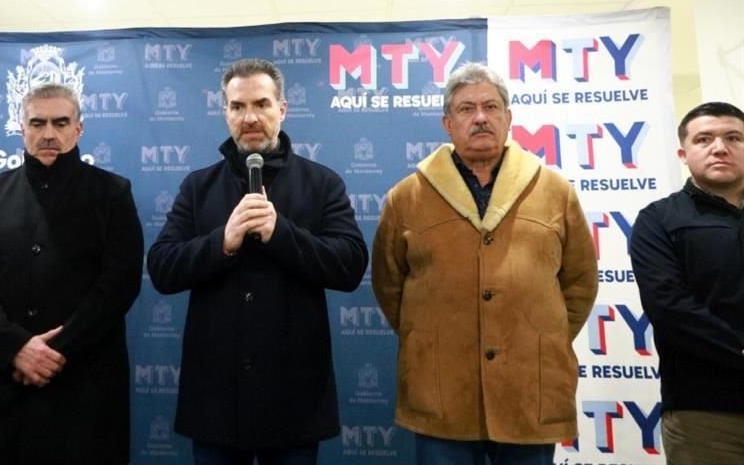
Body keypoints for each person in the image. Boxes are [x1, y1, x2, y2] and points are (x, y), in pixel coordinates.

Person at [372, 62, 598, 465]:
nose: (480, 118)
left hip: (530, 387)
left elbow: (579, 282)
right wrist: (429, 336)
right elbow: (391, 286)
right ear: (447, 122)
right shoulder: (406, 197)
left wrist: (540, 335)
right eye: (466, 109)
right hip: (442, 389)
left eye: (491, 107)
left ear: (508, 118)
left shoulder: (554, 191)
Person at [147, 58, 368, 464]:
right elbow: (162, 267)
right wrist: (223, 242)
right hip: (215, 399)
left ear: (282, 109)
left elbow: (350, 265)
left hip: (294, 401)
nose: (250, 117)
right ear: (225, 112)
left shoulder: (322, 183)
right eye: (237, 106)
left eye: (262, 104)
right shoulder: (198, 186)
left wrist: (279, 232)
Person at [0, 83, 143, 465]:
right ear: (22, 129)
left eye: (60, 122)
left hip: (84, 386)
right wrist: (16, 348)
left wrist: (55, 349)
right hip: (1, 386)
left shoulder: (113, 193)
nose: (49, 134)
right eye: (37, 123)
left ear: (79, 129)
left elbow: (119, 284)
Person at [630, 101, 744, 464]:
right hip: (705, 414)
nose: (720, 147)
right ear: (683, 152)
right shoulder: (659, 220)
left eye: (733, 137)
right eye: (704, 139)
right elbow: (669, 307)